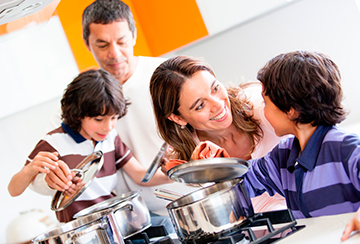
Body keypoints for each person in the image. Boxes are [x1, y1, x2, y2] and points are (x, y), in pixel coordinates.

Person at [43, 0, 195, 221]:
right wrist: (51, 176)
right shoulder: (80, 98)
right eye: (102, 45)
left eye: (122, 41)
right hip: (133, 219)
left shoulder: (170, 76)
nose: (114, 54)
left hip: (188, 200)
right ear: (87, 44)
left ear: (133, 35)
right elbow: (49, 157)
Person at [8, 69, 173, 223]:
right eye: (99, 120)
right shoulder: (55, 141)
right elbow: (13, 190)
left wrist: (170, 173)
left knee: (165, 224)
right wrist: (29, 170)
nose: (108, 127)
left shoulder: (110, 138)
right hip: (80, 227)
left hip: (114, 219)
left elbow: (139, 175)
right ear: (78, 114)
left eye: (114, 118)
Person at [233, 51, 360, 241]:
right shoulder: (282, 156)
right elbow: (242, 182)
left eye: (265, 102)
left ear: (290, 110)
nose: (263, 111)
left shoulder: (345, 149)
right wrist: (216, 165)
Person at [149, 55, 287, 213]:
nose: (218, 104)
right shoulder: (195, 155)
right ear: (178, 118)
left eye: (215, 88)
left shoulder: (261, 105)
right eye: (200, 105)